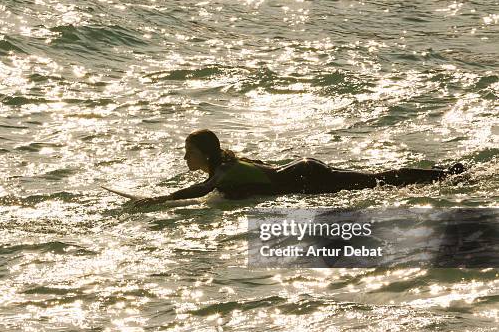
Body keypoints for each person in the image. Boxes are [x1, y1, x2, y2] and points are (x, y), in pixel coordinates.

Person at [133, 129, 465, 206]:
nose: (185, 158)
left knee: (378, 181)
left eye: (188, 152)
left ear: (205, 154)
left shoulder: (223, 172)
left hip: (307, 176)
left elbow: (199, 191)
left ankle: (447, 176)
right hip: (303, 171)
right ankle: (444, 175)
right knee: (376, 179)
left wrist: (157, 201)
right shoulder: (225, 166)